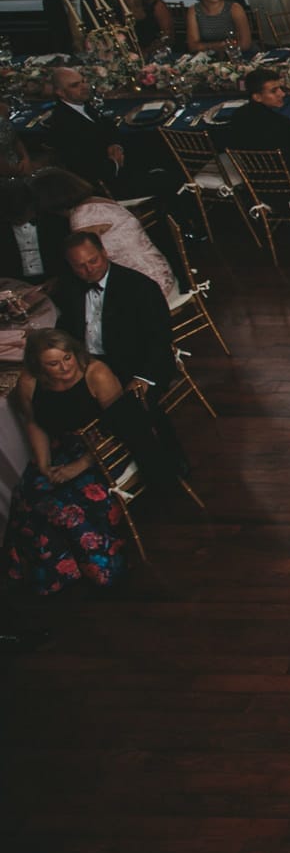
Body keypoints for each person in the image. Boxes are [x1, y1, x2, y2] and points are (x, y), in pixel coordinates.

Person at [5, 329, 130, 595]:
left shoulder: (97, 374)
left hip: (104, 447)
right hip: (61, 446)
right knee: (28, 494)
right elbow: (34, 423)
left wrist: (80, 466)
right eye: (53, 363)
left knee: (66, 503)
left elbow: (122, 426)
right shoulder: (29, 382)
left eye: (67, 358)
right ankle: (55, 573)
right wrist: (42, 464)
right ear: (39, 366)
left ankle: (99, 569)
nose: (64, 368)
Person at [51, 232, 175, 398]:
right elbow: (66, 325)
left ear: (104, 252)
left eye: (93, 260)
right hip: (89, 363)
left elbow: (161, 337)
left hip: (136, 366)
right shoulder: (69, 286)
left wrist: (142, 378)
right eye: (80, 266)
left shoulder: (140, 287)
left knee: (122, 410)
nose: (89, 269)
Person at [30, 168, 176, 300]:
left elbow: (88, 269)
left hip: (149, 286)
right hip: (158, 271)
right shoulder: (95, 202)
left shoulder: (82, 218)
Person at [44, 66, 128, 196]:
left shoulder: (81, 105)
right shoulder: (63, 124)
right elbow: (84, 168)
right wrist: (114, 164)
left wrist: (115, 144)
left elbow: (109, 127)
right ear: (60, 92)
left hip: (114, 165)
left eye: (83, 81)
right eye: (75, 85)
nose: (84, 87)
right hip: (106, 186)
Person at [225, 67, 290, 180]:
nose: (282, 94)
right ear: (257, 97)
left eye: (280, 88)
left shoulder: (237, 115)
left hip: (255, 181)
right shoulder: (282, 125)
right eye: (274, 91)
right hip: (289, 182)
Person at [0, 178, 65, 281]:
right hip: (16, 284)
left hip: (53, 280)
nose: (19, 219)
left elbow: (65, 260)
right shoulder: (3, 229)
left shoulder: (56, 223)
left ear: (32, 205)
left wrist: (59, 279)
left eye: (21, 213)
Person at [106, 0, 177, 54]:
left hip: (164, 52)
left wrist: (146, 52)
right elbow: (121, 41)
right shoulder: (115, 13)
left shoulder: (155, 5)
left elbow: (169, 36)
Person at [184, 0, 253, 53]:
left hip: (240, 54)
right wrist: (220, 45)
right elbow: (193, 46)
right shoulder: (194, 10)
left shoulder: (234, 8)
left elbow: (245, 44)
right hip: (210, 58)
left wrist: (208, 46)